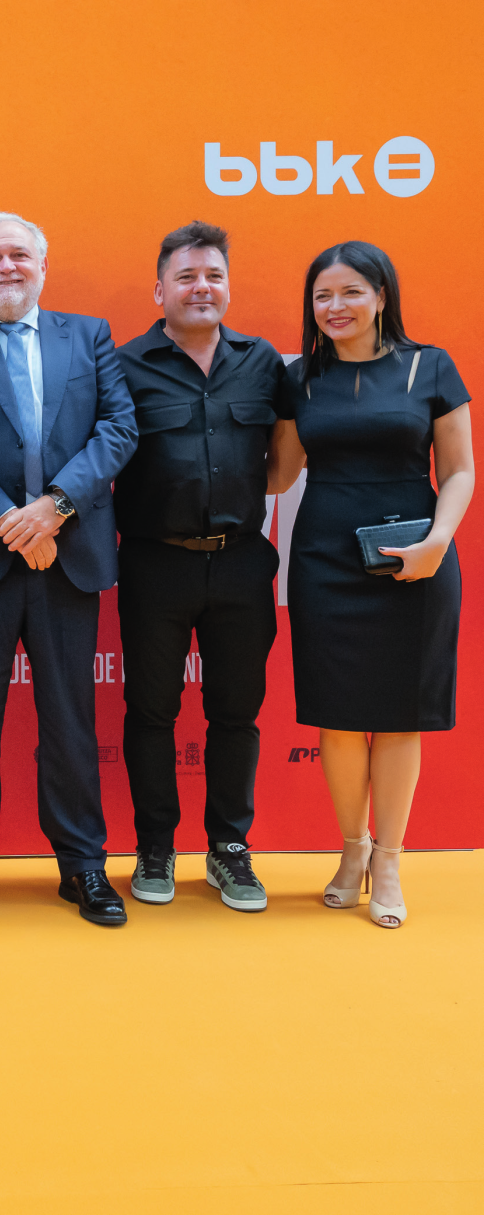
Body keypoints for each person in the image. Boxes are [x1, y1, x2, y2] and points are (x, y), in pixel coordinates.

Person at [0, 211, 137, 926]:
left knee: (71, 717)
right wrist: (12, 522)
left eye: (18, 255)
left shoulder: (89, 335)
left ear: (43, 266)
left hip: (66, 556)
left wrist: (55, 508)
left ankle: (83, 862)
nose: (6, 267)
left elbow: (118, 429)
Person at [269, 241, 474, 928]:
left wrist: (437, 543)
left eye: (351, 292)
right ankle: (352, 849)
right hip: (324, 558)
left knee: (399, 715)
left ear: (382, 296)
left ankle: (388, 859)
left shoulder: (430, 366)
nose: (336, 307)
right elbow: (279, 473)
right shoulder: (299, 378)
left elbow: (459, 470)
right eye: (322, 296)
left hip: (416, 559)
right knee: (337, 715)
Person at [114, 220, 285, 912]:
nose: (201, 287)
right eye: (185, 276)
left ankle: (229, 847)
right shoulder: (124, 365)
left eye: (213, 275)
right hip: (155, 564)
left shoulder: (262, 361)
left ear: (228, 287)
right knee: (151, 710)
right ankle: (155, 845)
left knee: (236, 713)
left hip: (242, 563)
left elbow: (284, 458)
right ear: (160, 290)